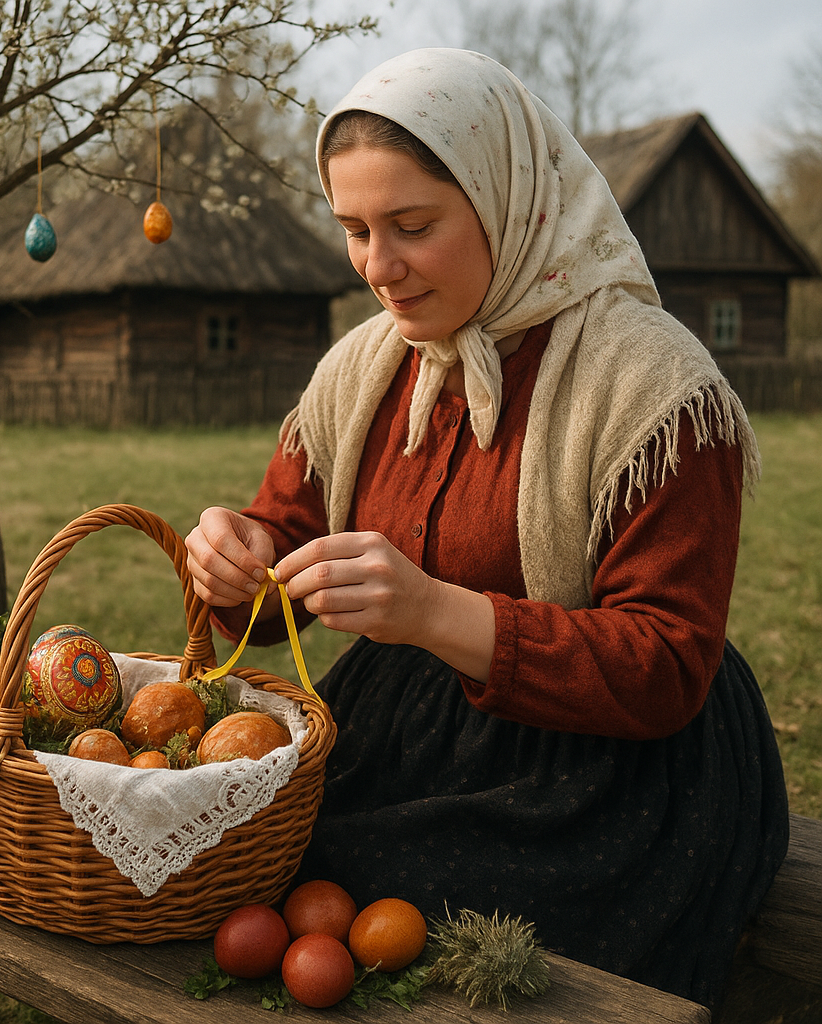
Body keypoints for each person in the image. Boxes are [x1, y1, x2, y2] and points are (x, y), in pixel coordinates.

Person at [184, 48, 788, 1009]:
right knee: (246, 863)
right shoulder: (362, 372)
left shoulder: (654, 393)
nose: (379, 268)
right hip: (400, 727)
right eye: (355, 231)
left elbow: (669, 665)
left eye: (413, 227)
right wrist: (236, 560)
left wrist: (435, 612)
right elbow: (280, 570)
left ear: (509, 202)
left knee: (431, 944)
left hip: (604, 769)